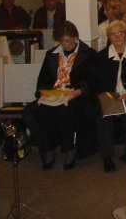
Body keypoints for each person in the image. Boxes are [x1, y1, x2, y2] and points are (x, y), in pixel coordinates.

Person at [35, 21, 96, 170]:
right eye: (62, 41)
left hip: (75, 95)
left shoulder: (88, 54)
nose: (65, 44)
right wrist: (44, 92)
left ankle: (69, 149)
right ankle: (48, 148)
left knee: (65, 111)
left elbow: (91, 80)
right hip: (55, 93)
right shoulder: (52, 54)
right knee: (41, 111)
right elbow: (43, 80)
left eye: (68, 41)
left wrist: (77, 91)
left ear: (76, 38)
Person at [95, 20, 126, 173]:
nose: (117, 37)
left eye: (120, 33)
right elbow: (98, 81)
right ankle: (107, 157)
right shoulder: (102, 56)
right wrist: (111, 97)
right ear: (109, 37)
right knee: (104, 118)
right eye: (113, 34)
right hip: (110, 96)